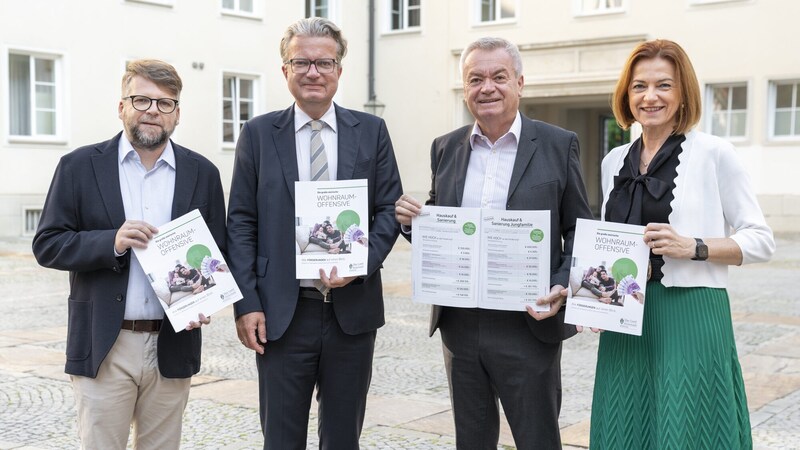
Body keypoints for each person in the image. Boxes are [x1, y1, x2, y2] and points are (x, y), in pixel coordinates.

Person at [394, 37, 593, 449]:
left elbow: (579, 231)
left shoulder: (558, 144)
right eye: (475, 79)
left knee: (536, 437)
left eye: (499, 77)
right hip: (460, 324)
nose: (487, 87)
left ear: (520, 82)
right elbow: (442, 218)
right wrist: (415, 224)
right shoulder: (445, 147)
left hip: (528, 323)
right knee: (471, 439)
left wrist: (560, 284)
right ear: (465, 89)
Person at [226, 17, 403, 449]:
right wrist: (245, 303)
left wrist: (358, 264)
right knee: (282, 439)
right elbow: (241, 222)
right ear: (284, 69)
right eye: (301, 62)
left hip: (352, 312)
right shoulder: (258, 134)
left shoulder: (372, 131)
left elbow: (388, 211)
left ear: (339, 70)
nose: (313, 72)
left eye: (324, 62)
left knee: (343, 438)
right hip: (283, 313)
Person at [31, 60, 226, 449]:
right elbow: (47, 243)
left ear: (177, 114)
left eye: (165, 103)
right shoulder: (79, 167)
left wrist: (206, 299)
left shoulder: (202, 173)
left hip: (172, 343)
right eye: (141, 99)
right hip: (106, 342)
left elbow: (216, 254)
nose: (153, 110)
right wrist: (111, 242)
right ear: (122, 107)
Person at [590, 39, 775, 449]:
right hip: (625, 318)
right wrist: (590, 293)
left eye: (663, 86)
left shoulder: (714, 153)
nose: (650, 96)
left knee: (688, 428)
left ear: (682, 92)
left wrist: (694, 246)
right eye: (639, 86)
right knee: (625, 424)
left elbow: (761, 240)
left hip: (690, 312)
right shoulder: (613, 161)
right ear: (626, 95)